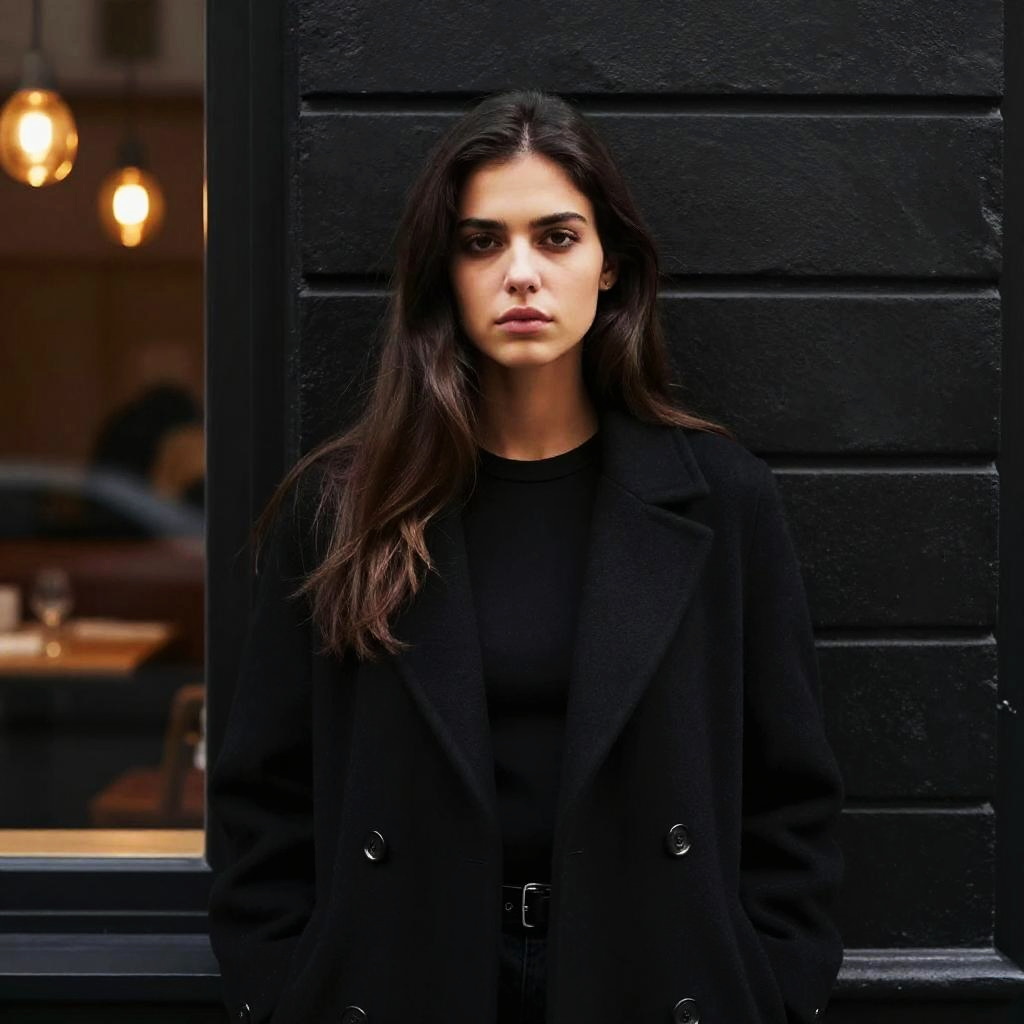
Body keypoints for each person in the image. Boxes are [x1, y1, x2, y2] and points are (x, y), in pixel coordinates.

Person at [207, 89, 845, 1024]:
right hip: (406, 979)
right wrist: (286, 989)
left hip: (648, 976)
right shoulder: (345, 506)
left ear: (611, 266)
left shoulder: (720, 498)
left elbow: (791, 792)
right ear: (443, 273)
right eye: (481, 242)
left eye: (555, 238)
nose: (520, 275)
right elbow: (263, 793)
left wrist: (771, 987)